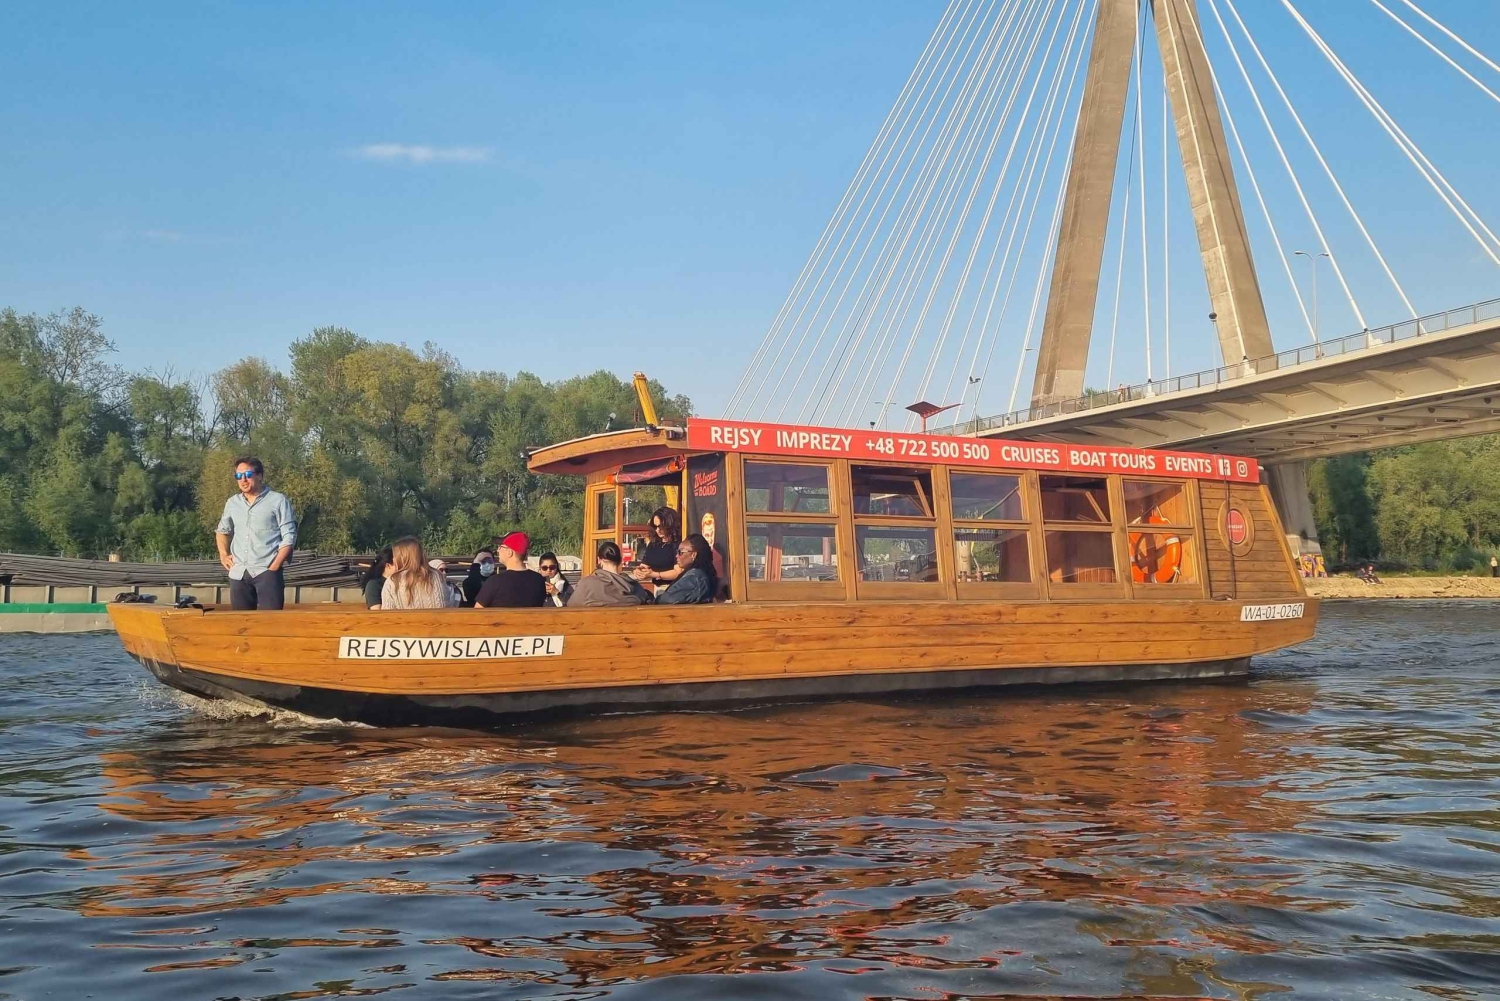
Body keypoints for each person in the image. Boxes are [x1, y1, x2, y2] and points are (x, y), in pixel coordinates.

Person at [215, 456, 297, 611]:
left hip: (267, 572)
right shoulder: (232, 503)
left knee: (270, 624)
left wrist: (275, 565)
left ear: (259, 475)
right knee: (241, 625)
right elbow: (222, 531)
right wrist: (223, 555)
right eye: (238, 476)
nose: (243, 480)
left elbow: (289, 536)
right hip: (238, 573)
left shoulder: (278, 501)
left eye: (247, 475)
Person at [378, 538, 457, 609]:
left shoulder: (392, 581)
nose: (394, 559)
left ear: (402, 558)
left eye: (395, 556)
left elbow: (387, 614)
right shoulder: (437, 575)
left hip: (406, 624)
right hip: (439, 624)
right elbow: (448, 604)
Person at [474, 532, 547, 608]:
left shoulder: (495, 581)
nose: (498, 550)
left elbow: (477, 613)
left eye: (500, 547)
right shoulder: (539, 579)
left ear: (509, 552)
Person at [570, 540, 653, 607]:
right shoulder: (635, 587)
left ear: (599, 560)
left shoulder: (586, 584)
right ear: (620, 561)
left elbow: (571, 605)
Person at [653, 533, 718, 605]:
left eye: (681, 552)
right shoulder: (697, 574)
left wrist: (652, 600)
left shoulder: (695, 577)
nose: (676, 555)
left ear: (693, 554)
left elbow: (668, 600)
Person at [632, 507, 685, 588]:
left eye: (661, 526)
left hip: (675, 587)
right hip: (657, 587)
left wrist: (655, 574)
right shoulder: (654, 544)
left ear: (670, 524)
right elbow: (645, 565)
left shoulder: (679, 544)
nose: (658, 530)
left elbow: (678, 572)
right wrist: (639, 571)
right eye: (655, 527)